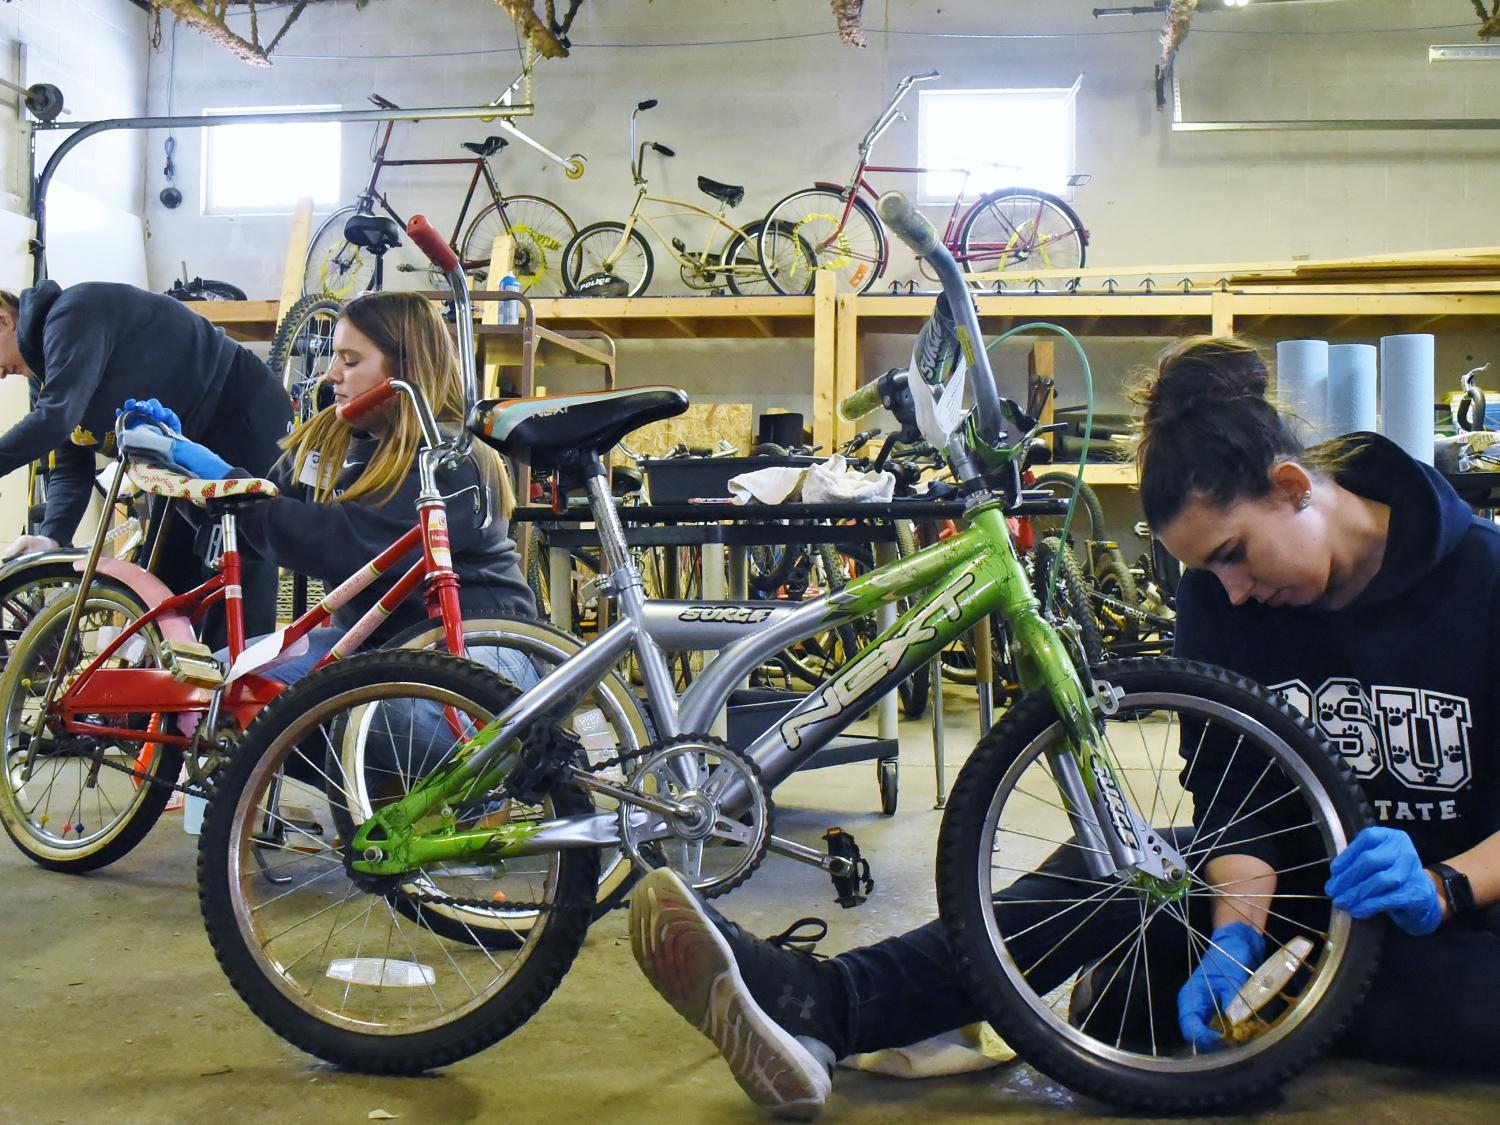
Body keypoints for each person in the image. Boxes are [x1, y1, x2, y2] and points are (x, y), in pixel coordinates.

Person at [625, 334, 1500, 1119]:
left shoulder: (1482, 577)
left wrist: (1450, 883)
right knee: (1112, 868)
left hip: (1462, 914)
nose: (1229, 590)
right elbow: (1239, 804)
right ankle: (824, 1004)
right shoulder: (1219, 600)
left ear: (1292, 487)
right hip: (1304, 907)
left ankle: (1258, 1000)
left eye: (1233, 553)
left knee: (1450, 1001)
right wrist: (1235, 931)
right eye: (1205, 569)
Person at [131, 289, 535, 686]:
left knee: (370, 719)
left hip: (478, 645)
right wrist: (187, 478)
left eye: (351, 360)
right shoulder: (334, 440)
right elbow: (257, 526)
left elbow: (341, 542)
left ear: (405, 368)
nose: (332, 375)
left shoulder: (448, 456)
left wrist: (227, 479)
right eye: (334, 358)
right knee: (225, 684)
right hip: (378, 645)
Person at [0, 280, 292, 637]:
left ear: (3, 321)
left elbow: (55, 419)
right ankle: (181, 686)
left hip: (238, 407)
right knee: (167, 579)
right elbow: (69, 463)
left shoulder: (72, 313)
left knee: (239, 553)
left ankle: (241, 684)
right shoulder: (43, 372)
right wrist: (52, 538)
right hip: (179, 445)